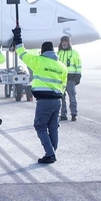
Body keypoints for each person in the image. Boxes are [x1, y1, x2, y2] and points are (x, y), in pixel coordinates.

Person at [13, 28, 67, 164]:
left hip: (44, 101)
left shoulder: (38, 61)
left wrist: (18, 37)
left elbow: (21, 53)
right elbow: (64, 86)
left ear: (42, 51)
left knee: (40, 126)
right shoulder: (62, 66)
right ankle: (52, 150)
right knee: (53, 127)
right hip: (57, 101)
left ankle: (50, 154)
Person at [56, 35, 82, 121]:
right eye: (63, 42)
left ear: (69, 43)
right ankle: (63, 114)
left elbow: (78, 65)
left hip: (71, 78)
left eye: (66, 42)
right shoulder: (58, 53)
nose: (64, 43)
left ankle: (74, 114)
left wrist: (78, 75)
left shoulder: (74, 53)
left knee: (72, 97)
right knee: (61, 98)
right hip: (60, 79)